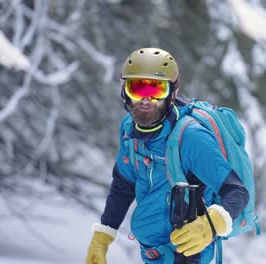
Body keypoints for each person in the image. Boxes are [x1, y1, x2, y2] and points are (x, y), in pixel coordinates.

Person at [85, 47, 249, 264]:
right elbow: (123, 185)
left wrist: (212, 224)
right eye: (137, 88)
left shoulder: (190, 137)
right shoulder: (129, 131)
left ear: (172, 92)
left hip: (187, 255)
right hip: (153, 254)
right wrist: (103, 235)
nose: (145, 100)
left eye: (155, 90)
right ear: (124, 91)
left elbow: (236, 191)